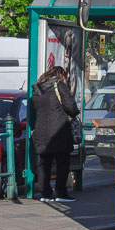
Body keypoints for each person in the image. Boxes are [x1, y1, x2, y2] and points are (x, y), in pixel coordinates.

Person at [31, 65, 79, 202]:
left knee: (43, 163)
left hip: (41, 130)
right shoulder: (59, 86)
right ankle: (61, 193)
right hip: (59, 130)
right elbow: (71, 107)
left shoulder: (37, 89)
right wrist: (74, 112)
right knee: (62, 163)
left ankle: (45, 194)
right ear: (61, 75)